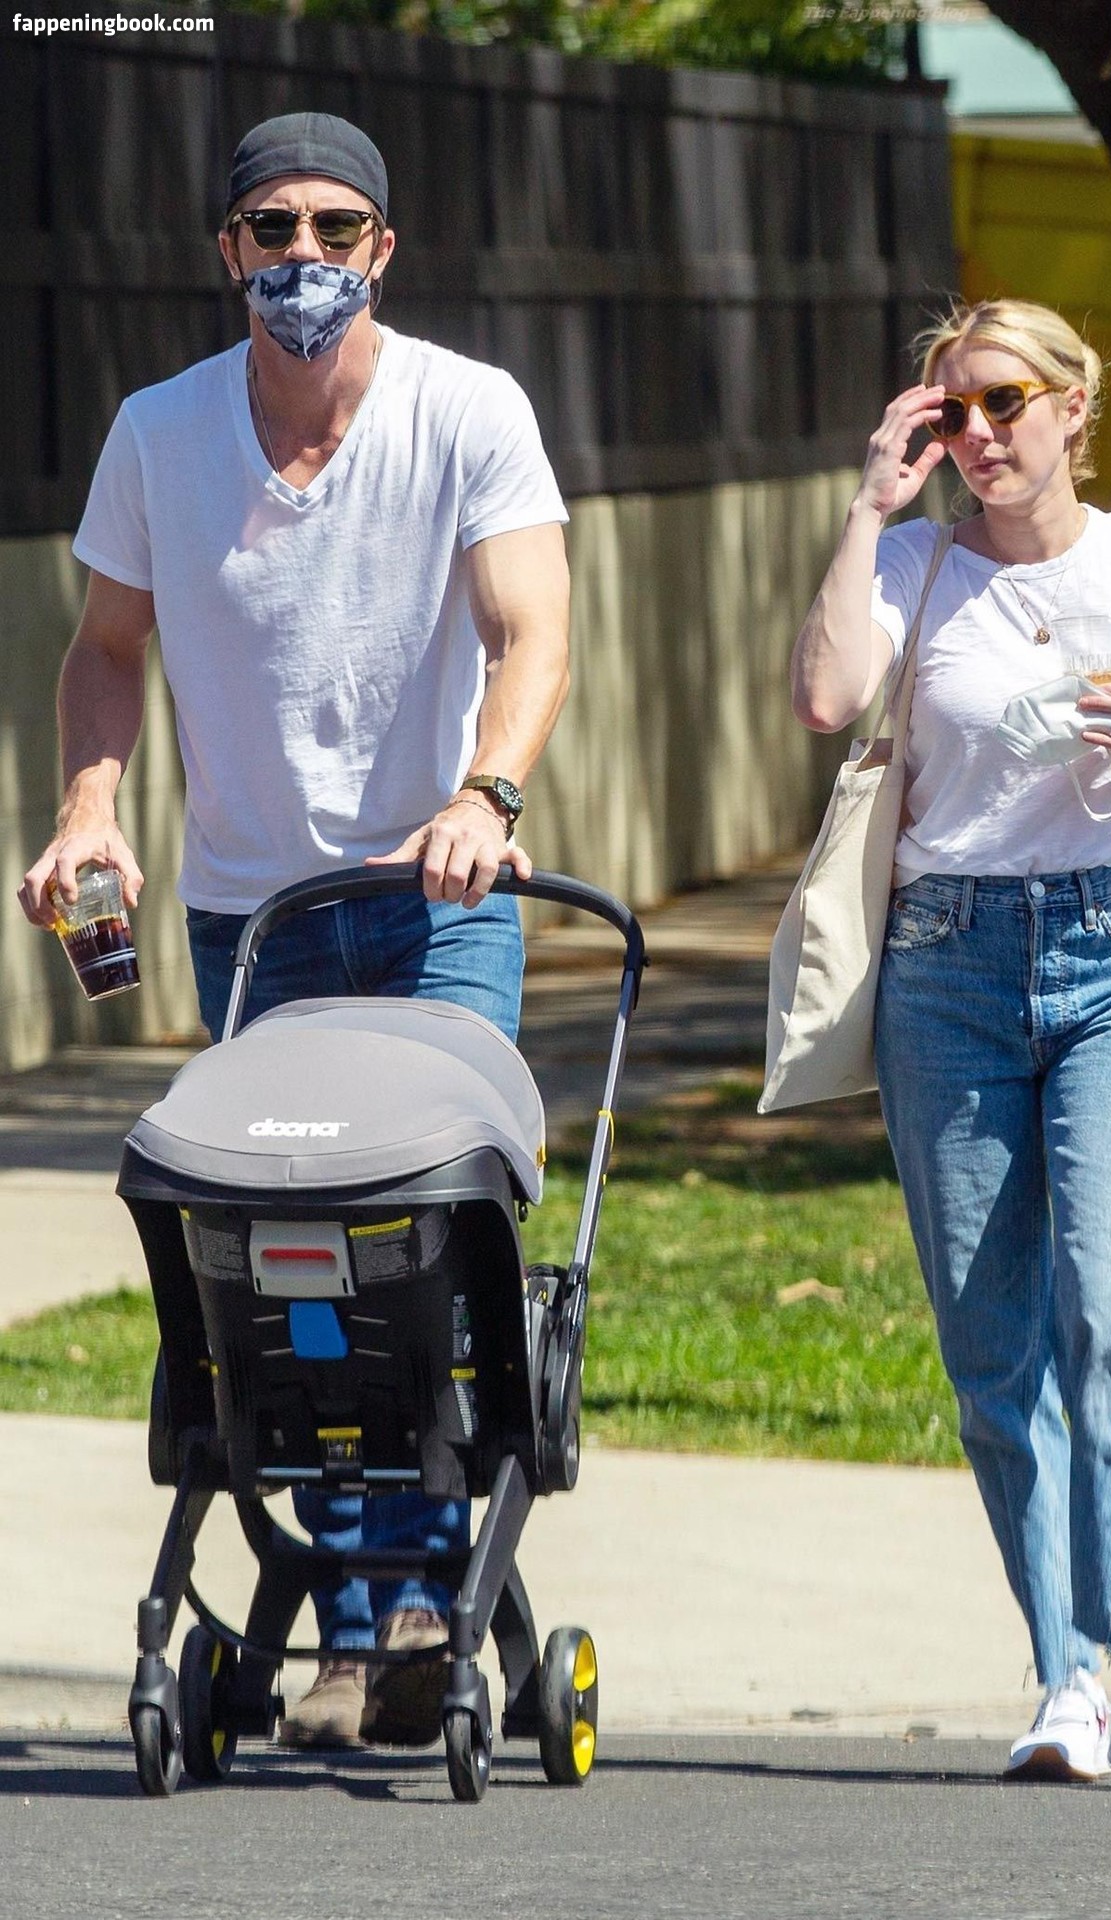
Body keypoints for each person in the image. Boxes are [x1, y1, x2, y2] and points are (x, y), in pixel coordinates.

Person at [19, 112, 571, 1752]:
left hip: (437, 903)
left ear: (382, 249)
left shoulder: (467, 410)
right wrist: (89, 805)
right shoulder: (160, 433)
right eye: (274, 228)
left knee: (432, 1251)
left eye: (337, 227)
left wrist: (485, 793)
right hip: (252, 918)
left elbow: (531, 627)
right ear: (230, 250)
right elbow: (106, 645)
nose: (305, 256)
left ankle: (407, 1609)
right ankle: (361, 1613)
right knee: (291, 1265)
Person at [790, 297, 1111, 1787]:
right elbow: (823, 698)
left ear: (1075, 405)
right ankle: (1066, 1673)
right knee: (993, 1341)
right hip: (946, 969)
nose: (981, 434)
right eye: (954, 412)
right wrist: (871, 505)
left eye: (1006, 401)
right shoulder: (913, 563)